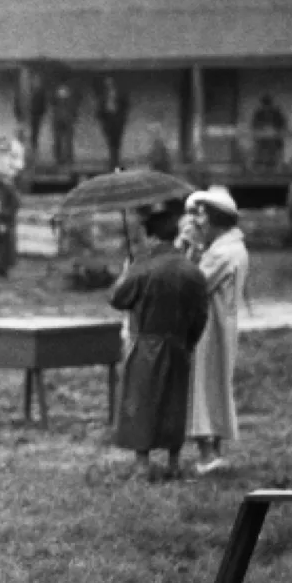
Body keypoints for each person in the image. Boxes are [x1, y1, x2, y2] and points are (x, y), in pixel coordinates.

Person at [108, 203, 208, 481]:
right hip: (178, 343)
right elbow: (201, 313)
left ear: (151, 237)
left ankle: (142, 463)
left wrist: (126, 272)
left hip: (145, 343)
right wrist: (189, 341)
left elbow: (117, 299)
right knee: (174, 403)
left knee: (142, 401)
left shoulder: (142, 268)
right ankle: (174, 462)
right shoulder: (191, 270)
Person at [186, 188, 248, 475]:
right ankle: (215, 450)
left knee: (204, 387)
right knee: (216, 385)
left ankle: (207, 453)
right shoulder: (233, 247)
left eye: (202, 218)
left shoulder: (222, 252)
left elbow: (192, 284)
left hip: (210, 328)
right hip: (222, 325)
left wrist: (192, 249)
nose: (199, 225)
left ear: (214, 221)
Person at [95, 75, 130, 171]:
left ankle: (116, 161)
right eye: (107, 84)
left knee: (117, 142)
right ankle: (113, 161)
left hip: (117, 120)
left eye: (110, 83)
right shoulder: (103, 96)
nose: (108, 85)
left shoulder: (118, 94)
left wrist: (122, 117)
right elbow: (100, 108)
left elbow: (125, 105)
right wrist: (102, 119)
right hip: (108, 120)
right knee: (111, 142)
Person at [250, 95, 288, 172]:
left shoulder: (277, 113)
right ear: (262, 105)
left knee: (274, 153)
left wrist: (276, 131)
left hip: (275, 138)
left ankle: (274, 168)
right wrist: (262, 130)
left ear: (271, 104)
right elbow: (254, 125)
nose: (266, 107)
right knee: (261, 153)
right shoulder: (258, 114)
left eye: (268, 105)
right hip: (262, 139)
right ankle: (261, 167)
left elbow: (283, 125)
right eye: (265, 105)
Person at [50, 82, 78, 167]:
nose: (62, 94)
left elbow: (73, 111)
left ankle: (68, 158)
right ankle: (60, 158)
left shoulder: (69, 102)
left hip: (66, 121)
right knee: (59, 140)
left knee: (68, 140)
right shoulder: (56, 102)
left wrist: (73, 119)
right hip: (59, 121)